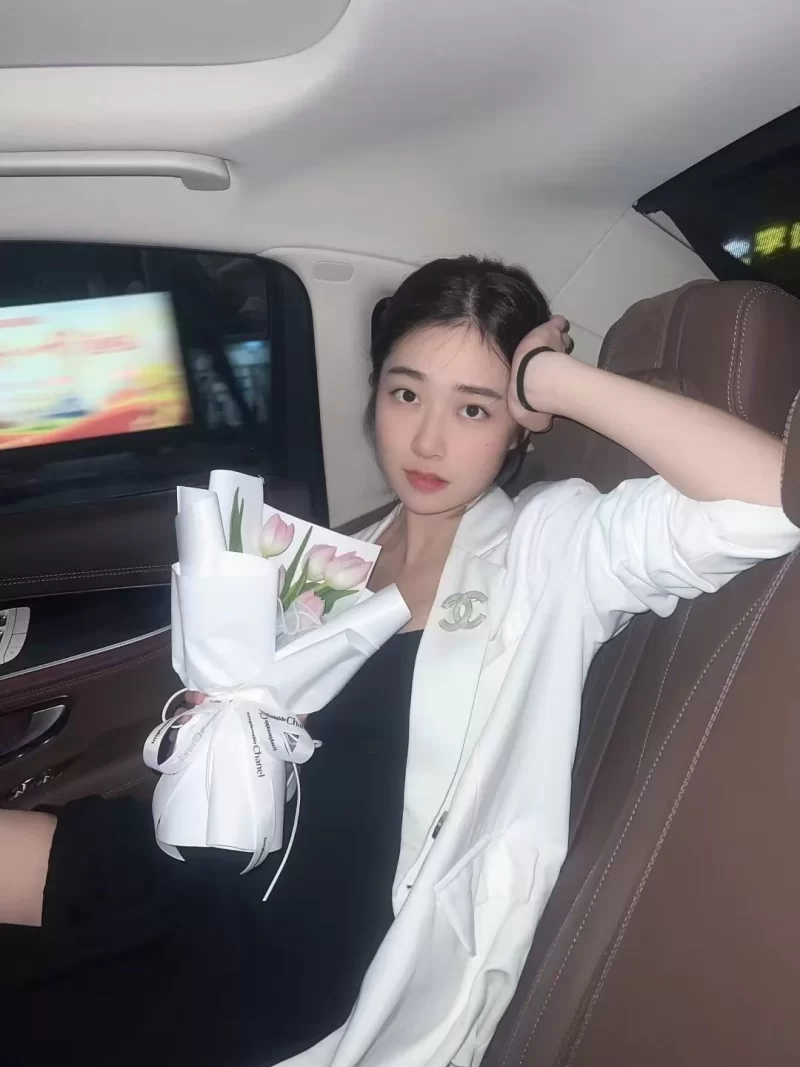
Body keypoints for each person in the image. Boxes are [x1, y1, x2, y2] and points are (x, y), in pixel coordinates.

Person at [1, 256, 798, 1067]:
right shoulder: (341, 553)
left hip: (306, 966)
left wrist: (554, 379)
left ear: (520, 424)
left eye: (475, 407)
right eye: (406, 393)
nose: (427, 440)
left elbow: (772, 499)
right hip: (224, 868)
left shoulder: (547, 547)